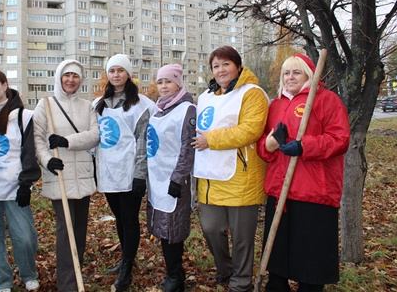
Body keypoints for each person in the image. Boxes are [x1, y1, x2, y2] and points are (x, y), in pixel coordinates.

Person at [257, 54, 350, 292]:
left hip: (313, 192)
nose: (290, 77)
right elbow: (265, 147)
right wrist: (267, 146)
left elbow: (340, 140)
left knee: (310, 259)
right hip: (280, 192)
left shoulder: (325, 100)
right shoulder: (276, 104)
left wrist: (304, 146)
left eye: (296, 72)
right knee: (277, 255)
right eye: (286, 73)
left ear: (309, 75)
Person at [192, 46, 269, 292]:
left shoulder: (252, 93)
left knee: (242, 236)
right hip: (210, 177)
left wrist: (211, 140)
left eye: (226, 64)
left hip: (241, 176)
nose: (221, 70)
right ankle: (225, 269)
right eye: (216, 66)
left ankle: (241, 281)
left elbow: (251, 130)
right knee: (211, 228)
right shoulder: (206, 96)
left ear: (237, 65)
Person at [32, 60, 99, 292]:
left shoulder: (87, 106)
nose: (71, 80)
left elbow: (94, 136)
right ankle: (67, 285)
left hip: (82, 175)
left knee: (79, 229)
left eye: (75, 76)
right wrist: (47, 159)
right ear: (59, 77)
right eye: (66, 75)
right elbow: (37, 138)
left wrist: (67, 141)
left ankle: (76, 272)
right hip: (60, 175)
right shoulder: (46, 105)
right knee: (65, 230)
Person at [93, 54, 156, 292]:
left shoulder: (142, 105)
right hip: (108, 172)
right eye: (112, 71)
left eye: (121, 70)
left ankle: (127, 267)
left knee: (129, 220)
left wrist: (140, 174)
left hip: (130, 173)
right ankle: (124, 259)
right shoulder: (99, 105)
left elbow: (143, 141)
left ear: (128, 74)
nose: (116, 75)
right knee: (119, 218)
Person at [0, 70, 41, 292]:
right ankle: (2, 281)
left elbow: (29, 151)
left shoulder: (24, 116)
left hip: (15, 187)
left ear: (5, 85)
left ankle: (28, 273)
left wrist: (26, 183)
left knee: (24, 237)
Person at [146, 64, 196, 292]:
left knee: (173, 229)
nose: (164, 86)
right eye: (160, 82)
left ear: (178, 82)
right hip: (157, 178)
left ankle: (177, 277)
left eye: (168, 81)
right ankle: (172, 272)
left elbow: (188, 146)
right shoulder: (158, 109)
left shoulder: (186, 109)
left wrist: (178, 178)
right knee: (163, 228)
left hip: (174, 180)